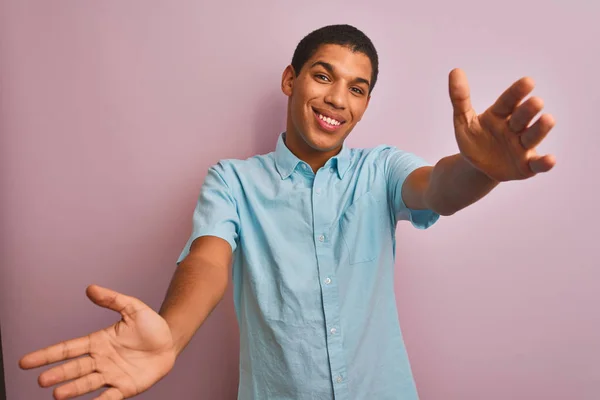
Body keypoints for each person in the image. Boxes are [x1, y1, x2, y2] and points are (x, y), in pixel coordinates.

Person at [18, 24, 556, 400]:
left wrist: (479, 167)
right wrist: (172, 335)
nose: (337, 99)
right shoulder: (233, 181)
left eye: (357, 88)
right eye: (323, 76)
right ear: (290, 80)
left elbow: (436, 189)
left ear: (366, 105)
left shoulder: (381, 169)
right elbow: (207, 262)